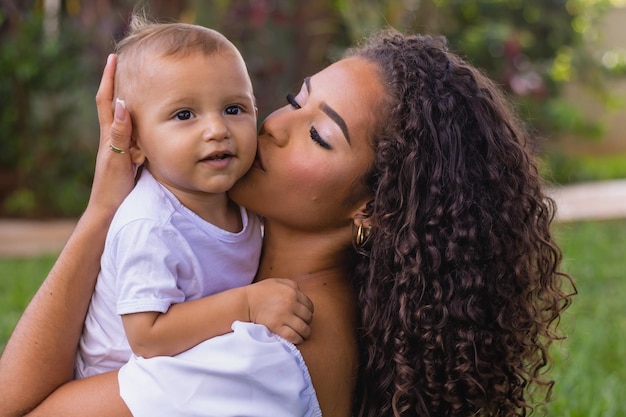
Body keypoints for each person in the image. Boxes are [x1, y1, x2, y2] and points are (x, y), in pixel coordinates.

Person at [0, 29, 574, 417]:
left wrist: (100, 213)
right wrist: (108, 204)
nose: (272, 127)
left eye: (319, 134)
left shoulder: (262, 356)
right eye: (294, 101)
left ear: (373, 206)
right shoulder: (260, 269)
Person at [74, 17, 314, 379]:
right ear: (135, 143)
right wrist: (247, 305)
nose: (217, 130)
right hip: (118, 386)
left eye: (234, 109)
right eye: (184, 114)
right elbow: (147, 336)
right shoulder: (150, 223)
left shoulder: (245, 202)